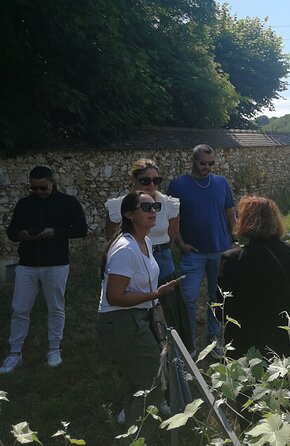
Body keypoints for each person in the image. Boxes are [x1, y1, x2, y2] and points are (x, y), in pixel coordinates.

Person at [97, 191, 182, 426]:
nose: (153, 210)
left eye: (155, 206)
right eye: (146, 207)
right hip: (121, 320)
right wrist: (156, 294)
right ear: (128, 214)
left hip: (139, 316)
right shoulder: (125, 248)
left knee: (139, 379)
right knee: (151, 381)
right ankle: (140, 432)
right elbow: (114, 297)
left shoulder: (144, 240)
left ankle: (131, 425)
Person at [1, 166, 87, 374]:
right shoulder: (24, 204)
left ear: (52, 182)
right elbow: (12, 231)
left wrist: (55, 232)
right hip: (27, 263)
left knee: (55, 307)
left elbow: (81, 229)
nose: (39, 192)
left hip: (56, 262)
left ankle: (54, 349)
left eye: (43, 188)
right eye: (34, 188)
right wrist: (22, 234)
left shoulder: (67, 203)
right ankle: (14, 353)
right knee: (20, 308)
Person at [104, 159, 193, 352]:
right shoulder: (119, 206)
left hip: (161, 257)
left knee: (168, 307)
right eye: (146, 180)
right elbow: (111, 238)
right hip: (131, 260)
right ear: (134, 180)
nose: (152, 185)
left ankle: (174, 350)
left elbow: (171, 235)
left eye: (156, 180)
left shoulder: (168, 203)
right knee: (139, 305)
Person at [167, 144, 236, 353]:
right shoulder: (178, 186)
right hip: (193, 254)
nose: (207, 167)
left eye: (211, 163)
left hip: (221, 250)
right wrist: (180, 244)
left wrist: (235, 240)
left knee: (217, 297)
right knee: (188, 298)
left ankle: (214, 338)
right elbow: (172, 219)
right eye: (203, 163)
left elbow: (230, 212)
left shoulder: (221, 183)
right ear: (193, 161)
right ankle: (189, 342)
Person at [218, 196, 290, 360]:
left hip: (245, 345)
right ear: (276, 220)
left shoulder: (231, 259)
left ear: (244, 221)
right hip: (283, 341)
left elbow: (222, 312)